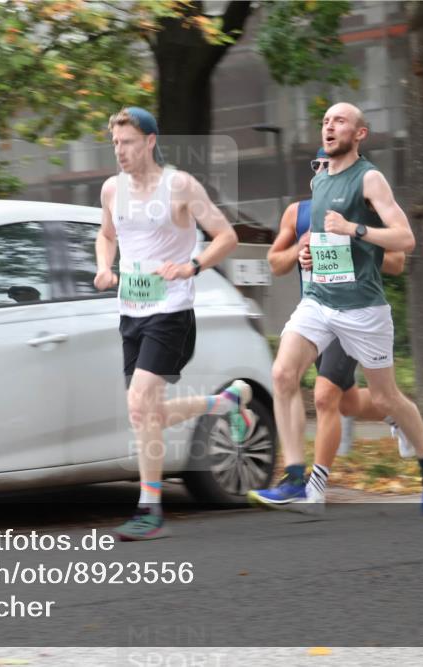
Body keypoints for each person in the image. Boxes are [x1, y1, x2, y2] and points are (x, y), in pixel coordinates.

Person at [249, 103, 423, 515]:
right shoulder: (320, 183)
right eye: (324, 121)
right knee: (283, 374)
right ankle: (293, 478)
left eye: (339, 121)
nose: (329, 127)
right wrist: (308, 256)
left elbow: (405, 240)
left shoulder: (369, 178)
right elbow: (326, 249)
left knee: (386, 396)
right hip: (319, 301)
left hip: (363, 309)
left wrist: (355, 229)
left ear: (359, 133)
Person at [95, 107, 249, 541]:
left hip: (172, 310)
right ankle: (225, 404)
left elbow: (226, 236)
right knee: (146, 412)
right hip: (131, 311)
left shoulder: (179, 185)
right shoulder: (112, 189)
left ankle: (150, 508)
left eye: (126, 143)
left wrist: (192, 266)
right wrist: (105, 266)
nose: (119, 151)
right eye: (114, 144)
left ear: (149, 141)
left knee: (141, 400)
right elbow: (106, 235)